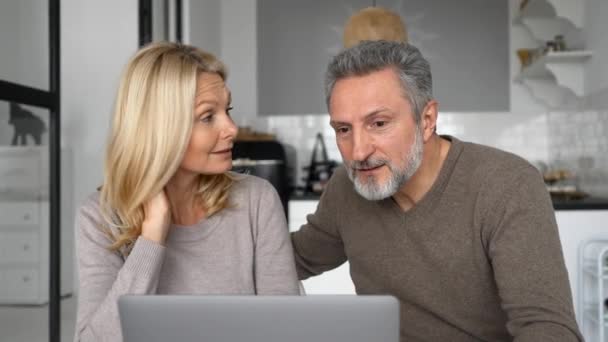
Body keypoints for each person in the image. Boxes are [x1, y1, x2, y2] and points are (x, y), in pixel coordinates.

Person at [291, 40, 583, 341]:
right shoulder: (346, 189)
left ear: (427, 120)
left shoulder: (507, 185)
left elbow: (549, 329)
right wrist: (244, 197)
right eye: (343, 130)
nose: (358, 152)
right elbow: (288, 258)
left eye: (378, 123)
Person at [74, 41, 299, 342]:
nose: (231, 128)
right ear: (160, 128)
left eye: (227, 110)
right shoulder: (99, 218)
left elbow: (285, 328)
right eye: (208, 117)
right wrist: (152, 238)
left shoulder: (256, 201)